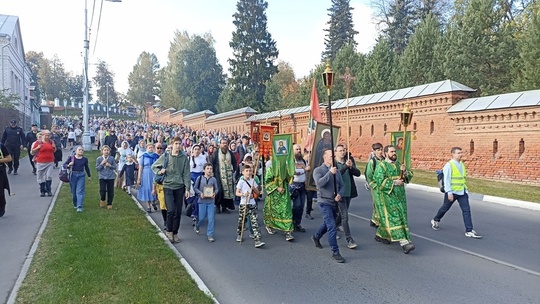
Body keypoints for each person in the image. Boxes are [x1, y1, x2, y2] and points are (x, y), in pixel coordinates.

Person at [431, 147, 482, 239]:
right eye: (458, 153)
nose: (460, 154)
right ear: (453, 154)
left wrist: (465, 190)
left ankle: (469, 230)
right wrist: (449, 192)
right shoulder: (449, 165)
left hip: (462, 192)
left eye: (461, 153)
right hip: (452, 192)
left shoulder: (461, 164)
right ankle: (435, 219)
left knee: (466, 210)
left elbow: (462, 178)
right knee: (445, 208)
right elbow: (446, 180)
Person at [373, 145, 415, 254]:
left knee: (401, 216)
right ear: (386, 153)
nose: (394, 153)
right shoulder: (381, 166)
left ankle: (381, 235)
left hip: (400, 196)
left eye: (395, 151)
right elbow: (379, 181)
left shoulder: (399, 165)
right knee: (395, 217)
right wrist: (395, 182)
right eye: (391, 152)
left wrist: (405, 171)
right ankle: (404, 243)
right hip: (389, 196)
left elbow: (408, 176)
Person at [152, 136, 191, 244]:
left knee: (178, 212)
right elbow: (154, 167)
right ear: (172, 145)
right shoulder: (166, 156)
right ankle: (169, 231)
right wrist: (160, 172)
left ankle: (175, 232)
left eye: (180, 144)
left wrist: (187, 188)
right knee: (171, 210)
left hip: (179, 186)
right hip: (168, 186)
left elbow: (186, 174)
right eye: (176, 144)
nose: (178, 146)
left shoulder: (184, 158)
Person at [311, 149, 345, 263]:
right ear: (325, 157)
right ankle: (335, 252)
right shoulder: (318, 170)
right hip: (324, 202)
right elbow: (320, 184)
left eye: (333, 156)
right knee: (331, 226)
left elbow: (342, 186)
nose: (333, 158)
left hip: (334, 202)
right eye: (331, 156)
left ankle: (316, 236)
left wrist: (340, 194)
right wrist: (330, 173)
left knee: (327, 223)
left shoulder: (337, 171)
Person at [264, 151, 295, 242]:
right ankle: (270, 225)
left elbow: (289, 178)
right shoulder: (271, 169)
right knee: (273, 211)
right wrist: (277, 188)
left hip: (284, 192)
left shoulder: (285, 168)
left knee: (286, 210)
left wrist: (291, 171)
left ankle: (288, 232)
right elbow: (267, 181)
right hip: (274, 193)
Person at [334, 144, 360, 249]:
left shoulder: (349, 160)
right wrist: (345, 166)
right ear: (335, 152)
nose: (342, 152)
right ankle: (349, 240)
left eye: (344, 150)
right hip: (339, 193)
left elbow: (358, 173)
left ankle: (332, 227)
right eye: (340, 150)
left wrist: (351, 167)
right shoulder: (333, 162)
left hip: (348, 191)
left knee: (341, 214)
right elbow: (336, 174)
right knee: (345, 216)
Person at [235, 164, 265, 248]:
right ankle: (239, 234)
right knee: (242, 221)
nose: (248, 173)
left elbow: (258, 193)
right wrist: (243, 194)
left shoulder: (253, 181)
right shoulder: (241, 181)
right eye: (246, 171)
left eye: (249, 171)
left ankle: (257, 240)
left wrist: (254, 189)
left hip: (252, 204)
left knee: (254, 222)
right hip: (244, 204)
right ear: (243, 172)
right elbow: (237, 193)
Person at [211, 138, 238, 214]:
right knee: (219, 191)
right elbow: (212, 163)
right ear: (220, 144)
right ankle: (217, 206)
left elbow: (234, 162)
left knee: (227, 192)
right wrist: (211, 173)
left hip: (228, 175)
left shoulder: (230, 153)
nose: (224, 145)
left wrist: (235, 170)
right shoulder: (216, 153)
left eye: (226, 143)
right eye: (223, 143)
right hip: (218, 175)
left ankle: (224, 207)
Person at [193, 163, 219, 242]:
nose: (209, 170)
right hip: (202, 201)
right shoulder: (200, 178)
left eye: (211, 169)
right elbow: (195, 187)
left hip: (211, 201)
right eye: (207, 168)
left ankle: (210, 234)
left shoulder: (213, 179)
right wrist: (200, 193)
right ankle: (197, 225)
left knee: (211, 219)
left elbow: (217, 189)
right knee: (202, 217)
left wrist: (214, 193)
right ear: (204, 170)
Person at [64, 146, 91, 212]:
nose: (81, 151)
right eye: (79, 150)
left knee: (80, 191)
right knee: (73, 192)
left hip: (81, 175)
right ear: (75, 151)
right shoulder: (71, 158)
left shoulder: (84, 159)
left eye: (82, 150)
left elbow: (87, 167)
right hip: (73, 175)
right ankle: (75, 203)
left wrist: (89, 176)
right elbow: (64, 164)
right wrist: (68, 165)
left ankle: (79, 206)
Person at [290, 144, 310, 232]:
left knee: (301, 206)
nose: (298, 151)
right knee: (296, 205)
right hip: (294, 186)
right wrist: (305, 170)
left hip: (302, 186)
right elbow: (293, 172)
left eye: (299, 149)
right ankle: (292, 222)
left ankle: (298, 223)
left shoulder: (303, 161)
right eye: (296, 149)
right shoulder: (291, 161)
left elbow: (306, 173)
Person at [31, 130, 56, 197]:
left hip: (50, 161)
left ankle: (49, 190)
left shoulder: (51, 142)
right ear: (42, 135)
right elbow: (32, 152)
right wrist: (37, 147)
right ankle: (42, 190)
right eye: (46, 135)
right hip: (40, 162)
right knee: (40, 177)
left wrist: (54, 147)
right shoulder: (38, 142)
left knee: (49, 176)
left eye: (48, 135)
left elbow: (54, 150)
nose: (47, 137)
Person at [365, 143, 385, 228]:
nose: (380, 152)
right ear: (374, 151)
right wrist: (373, 185)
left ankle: (374, 219)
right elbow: (369, 174)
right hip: (376, 186)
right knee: (377, 203)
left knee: (384, 203)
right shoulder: (372, 162)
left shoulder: (385, 160)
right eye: (378, 150)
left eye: (381, 149)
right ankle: (378, 220)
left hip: (385, 186)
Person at [137, 144, 158, 212]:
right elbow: (140, 167)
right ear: (147, 149)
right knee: (147, 188)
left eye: (152, 147)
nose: (151, 149)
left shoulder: (156, 156)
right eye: (149, 148)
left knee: (154, 187)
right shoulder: (144, 156)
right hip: (146, 173)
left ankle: (154, 201)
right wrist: (139, 177)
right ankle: (148, 206)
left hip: (154, 173)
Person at [96, 145, 117, 209]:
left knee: (111, 191)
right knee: (103, 190)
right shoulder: (99, 159)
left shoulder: (112, 158)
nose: (106, 151)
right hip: (102, 177)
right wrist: (102, 164)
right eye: (105, 150)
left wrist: (110, 165)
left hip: (110, 177)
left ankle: (109, 203)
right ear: (102, 151)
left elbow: (115, 167)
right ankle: (102, 199)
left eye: (107, 150)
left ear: (109, 151)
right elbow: (97, 169)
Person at [153, 143, 167, 229]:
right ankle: (165, 220)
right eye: (158, 148)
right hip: (161, 185)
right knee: (162, 203)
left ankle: (169, 220)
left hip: (171, 185)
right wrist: (153, 188)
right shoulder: (159, 160)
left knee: (170, 205)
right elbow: (156, 175)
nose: (160, 149)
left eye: (161, 148)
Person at [0, 142, 12, 217]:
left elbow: (9, 158)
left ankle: (1, 208)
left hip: (0, 170)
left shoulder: (1, 146)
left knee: (0, 192)